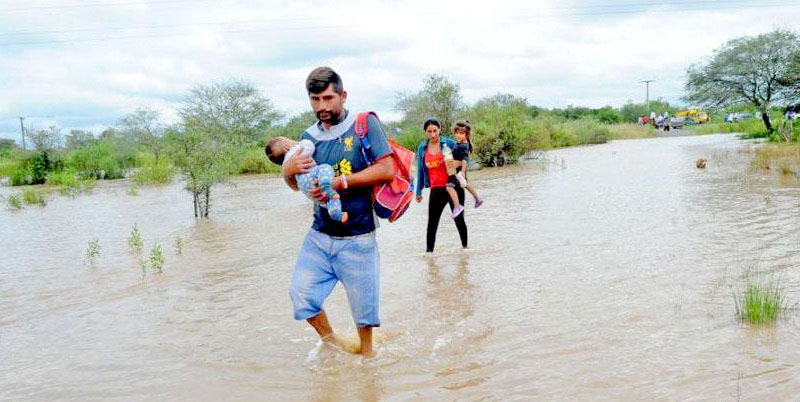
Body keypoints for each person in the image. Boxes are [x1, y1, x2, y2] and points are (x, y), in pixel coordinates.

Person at [280, 66, 394, 358]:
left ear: (343, 96)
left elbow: (387, 169)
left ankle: (368, 362)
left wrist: (342, 181)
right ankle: (333, 344)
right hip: (319, 235)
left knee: (364, 314)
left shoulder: (364, 125)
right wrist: (289, 174)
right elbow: (300, 185)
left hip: (358, 235)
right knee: (301, 295)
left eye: (329, 98)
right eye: (315, 100)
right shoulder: (308, 138)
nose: (323, 106)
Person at [415, 119, 468, 252]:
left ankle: (465, 250)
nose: (433, 134)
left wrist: (460, 165)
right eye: (429, 131)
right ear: (425, 132)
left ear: (440, 129)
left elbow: (465, 158)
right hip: (435, 189)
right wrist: (418, 191)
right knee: (432, 224)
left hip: (452, 187)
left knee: (459, 219)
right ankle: (429, 255)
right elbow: (421, 170)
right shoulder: (422, 148)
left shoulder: (449, 143)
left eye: (435, 130)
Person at [266, 137, 347, 223]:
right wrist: (299, 143)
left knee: (325, 201)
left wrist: (286, 171)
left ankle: (336, 214)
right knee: (325, 168)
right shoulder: (296, 151)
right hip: (312, 176)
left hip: (306, 187)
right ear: (286, 146)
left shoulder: (285, 164)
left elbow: (295, 188)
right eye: (288, 139)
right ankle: (325, 185)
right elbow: (309, 145)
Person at [452, 119, 483, 208]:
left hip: (459, 171)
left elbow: (464, 160)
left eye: (461, 133)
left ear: (466, 135)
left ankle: (477, 198)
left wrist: (462, 171)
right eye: (457, 133)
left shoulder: (463, 145)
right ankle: (477, 198)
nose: (458, 135)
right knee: (464, 185)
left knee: (464, 184)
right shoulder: (460, 143)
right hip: (457, 170)